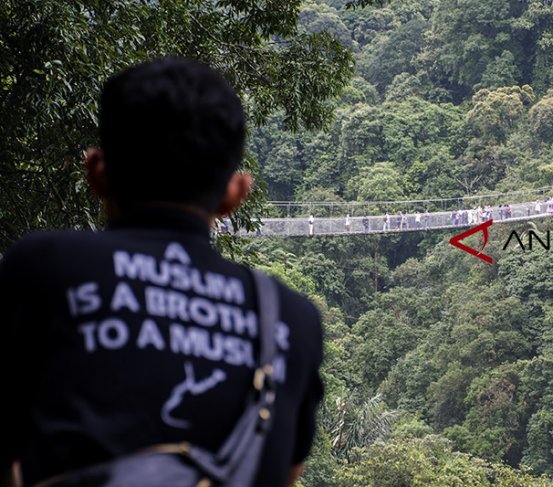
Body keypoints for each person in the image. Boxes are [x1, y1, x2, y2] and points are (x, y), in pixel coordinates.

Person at [0, 58, 323, 487]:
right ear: (236, 194)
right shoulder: (293, 320)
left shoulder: (42, 268)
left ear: (96, 172)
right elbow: (284, 475)